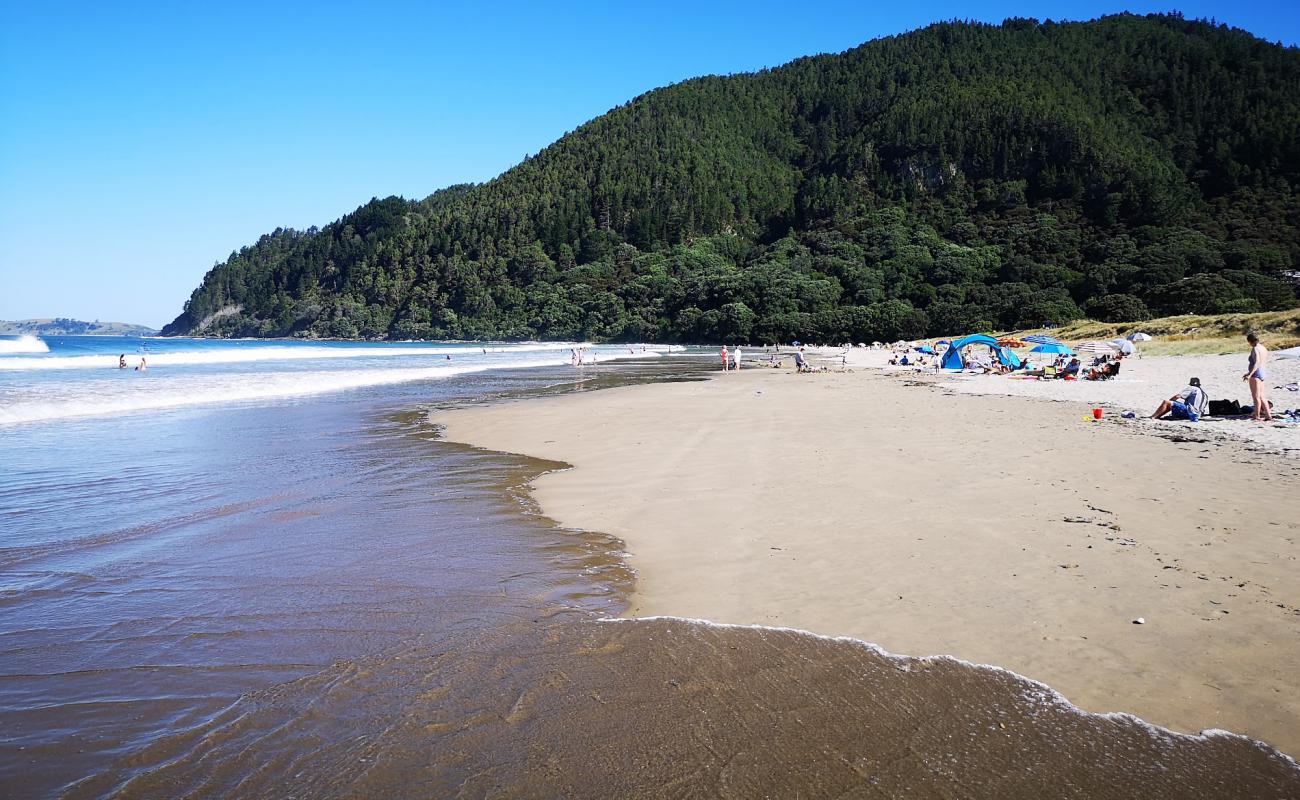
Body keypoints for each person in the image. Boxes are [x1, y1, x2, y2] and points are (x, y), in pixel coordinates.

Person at [1243, 332, 1273, 421]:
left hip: (1256, 373)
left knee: (1256, 397)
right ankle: (1268, 415)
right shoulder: (1263, 348)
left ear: (1250, 341)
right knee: (1262, 396)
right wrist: (1249, 372)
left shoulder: (1255, 349)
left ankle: (1256, 416)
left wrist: (1250, 374)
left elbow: (1256, 363)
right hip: (1262, 372)